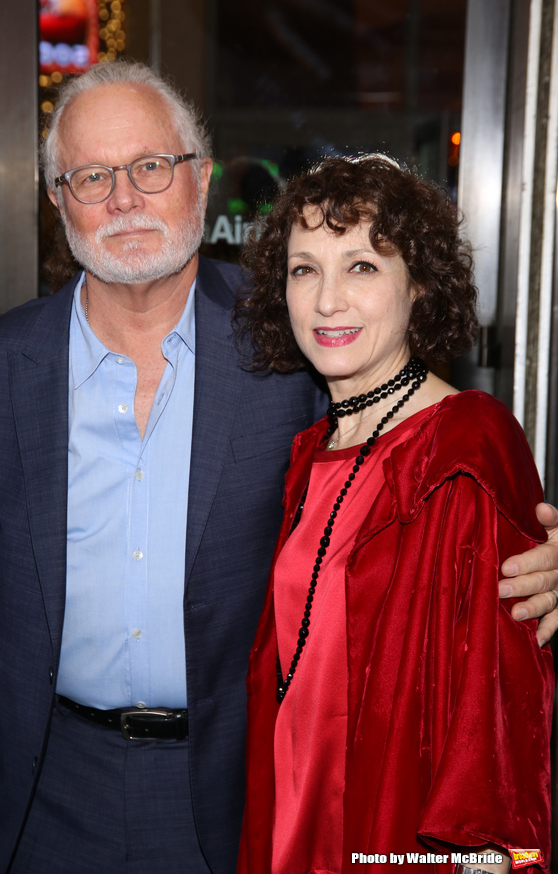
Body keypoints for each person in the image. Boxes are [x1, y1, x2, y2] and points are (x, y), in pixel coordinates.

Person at [0, 62, 555, 874]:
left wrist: (531, 553)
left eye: (150, 166)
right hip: (42, 790)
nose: (124, 198)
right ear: (57, 198)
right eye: (92, 176)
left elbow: (407, 462)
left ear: (200, 182)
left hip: (235, 795)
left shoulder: (293, 343)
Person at [235, 156, 554, 874]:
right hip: (293, 822)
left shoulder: (465, 441)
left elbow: (496, 728)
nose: (326, 302)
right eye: (304, 269)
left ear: (419, 286)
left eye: (362, 268)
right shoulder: (311, 453)